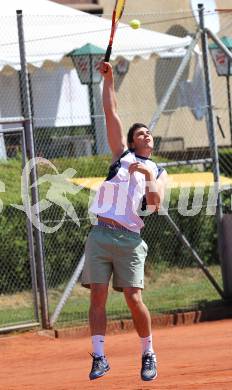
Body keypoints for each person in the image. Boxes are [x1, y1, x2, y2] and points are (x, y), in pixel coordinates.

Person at [81, 62, 167, 382]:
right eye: (140, 133)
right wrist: (109, 79)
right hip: (101, 234)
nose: (146, 134)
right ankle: (100, 357)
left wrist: (146, 176)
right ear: (131, 143)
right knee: (98, 296)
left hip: (130, 239)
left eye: (148, 132)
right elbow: (110, 111)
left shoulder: (158, 170)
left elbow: (154, 206)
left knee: (133, 299)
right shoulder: (122, 157)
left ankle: (148, 353)